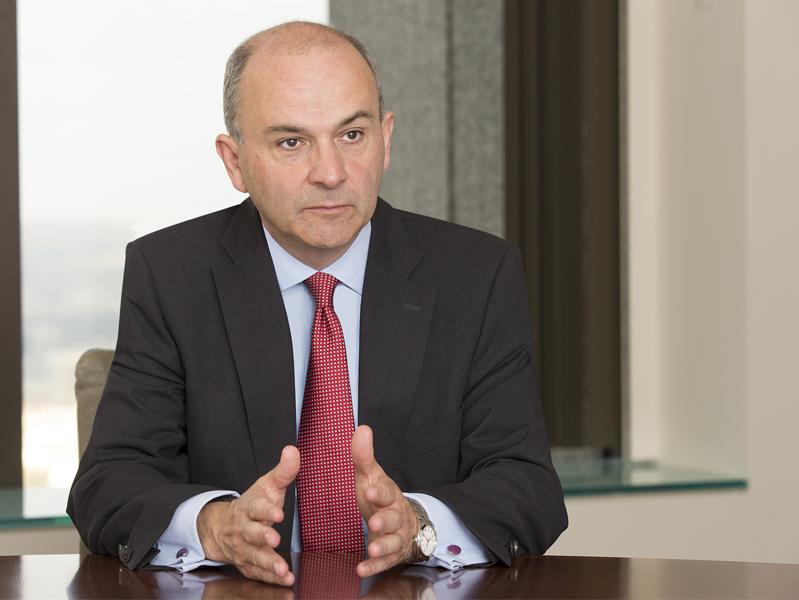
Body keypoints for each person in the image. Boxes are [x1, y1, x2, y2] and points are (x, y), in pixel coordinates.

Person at [67, 21, 567, 586]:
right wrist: (215, 525)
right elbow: (108, 483)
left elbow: (528, 487)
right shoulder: (171, 274)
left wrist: (419, 524)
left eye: (352, 135)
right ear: (235, 161)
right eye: (292, 142)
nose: (331, 174)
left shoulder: (475, 275)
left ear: (386, 139)